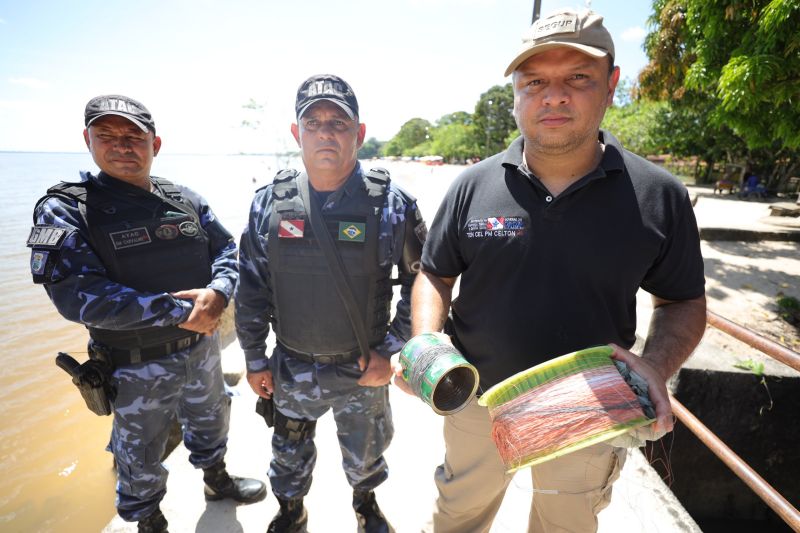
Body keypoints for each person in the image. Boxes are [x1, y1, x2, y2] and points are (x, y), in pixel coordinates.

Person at [399, 8, 707, 533]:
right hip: (477, 401)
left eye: (577, 79)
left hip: (590, 409)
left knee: (566, 524)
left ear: (611, 85)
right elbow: (435, 273)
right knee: (459, 515)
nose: (554, 95)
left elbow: (682, 300)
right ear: (517, 93)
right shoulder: (472, 186)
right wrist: (425, 345)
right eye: (535, 81)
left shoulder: (659, 196)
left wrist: (655, 363)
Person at [27, 95, 266, 533]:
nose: (122, 146)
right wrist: (176, 311)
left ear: (156, 143)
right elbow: (75, 295)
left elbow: (227, 250)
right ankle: (149, 522)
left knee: (213, 418)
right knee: (138, 457)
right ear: (88, 141)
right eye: (108, 136)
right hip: (135, 366)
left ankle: (216, 480)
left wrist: (218, 291)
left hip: (202, 349)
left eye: (134, 136)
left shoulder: (184, 199)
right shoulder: (67, 208)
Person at [235, 74, 426, 533]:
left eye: (338, 122)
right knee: (289, 452)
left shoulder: (392, 204)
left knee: (365, 453)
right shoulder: (269, 204)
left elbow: (424, 283)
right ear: (296, 133)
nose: (325, 131)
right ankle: (290, 510)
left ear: (358, 134)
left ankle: (365, 505)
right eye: (313, 121)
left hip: (363, 369)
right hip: (292, 365)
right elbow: (252, 287)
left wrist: (393, 352)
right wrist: (255, 358)